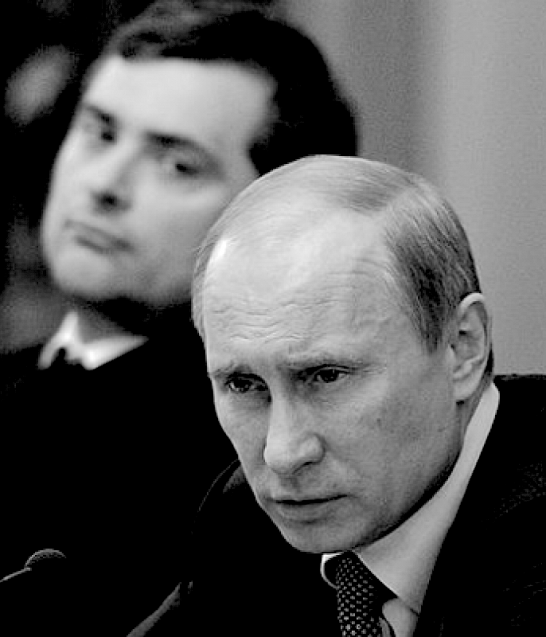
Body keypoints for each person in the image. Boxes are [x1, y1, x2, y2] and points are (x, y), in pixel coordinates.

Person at [0, 2, 358, 634]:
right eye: (100, 132)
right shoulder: (13, 383)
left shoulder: (262, 473)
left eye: (177, 164)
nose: (105, 184)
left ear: (273, 217)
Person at [130, 155, 545, 636]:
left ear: (462, 348)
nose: (283, 454)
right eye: (244, 385)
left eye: (326, 377)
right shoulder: (242, 525)